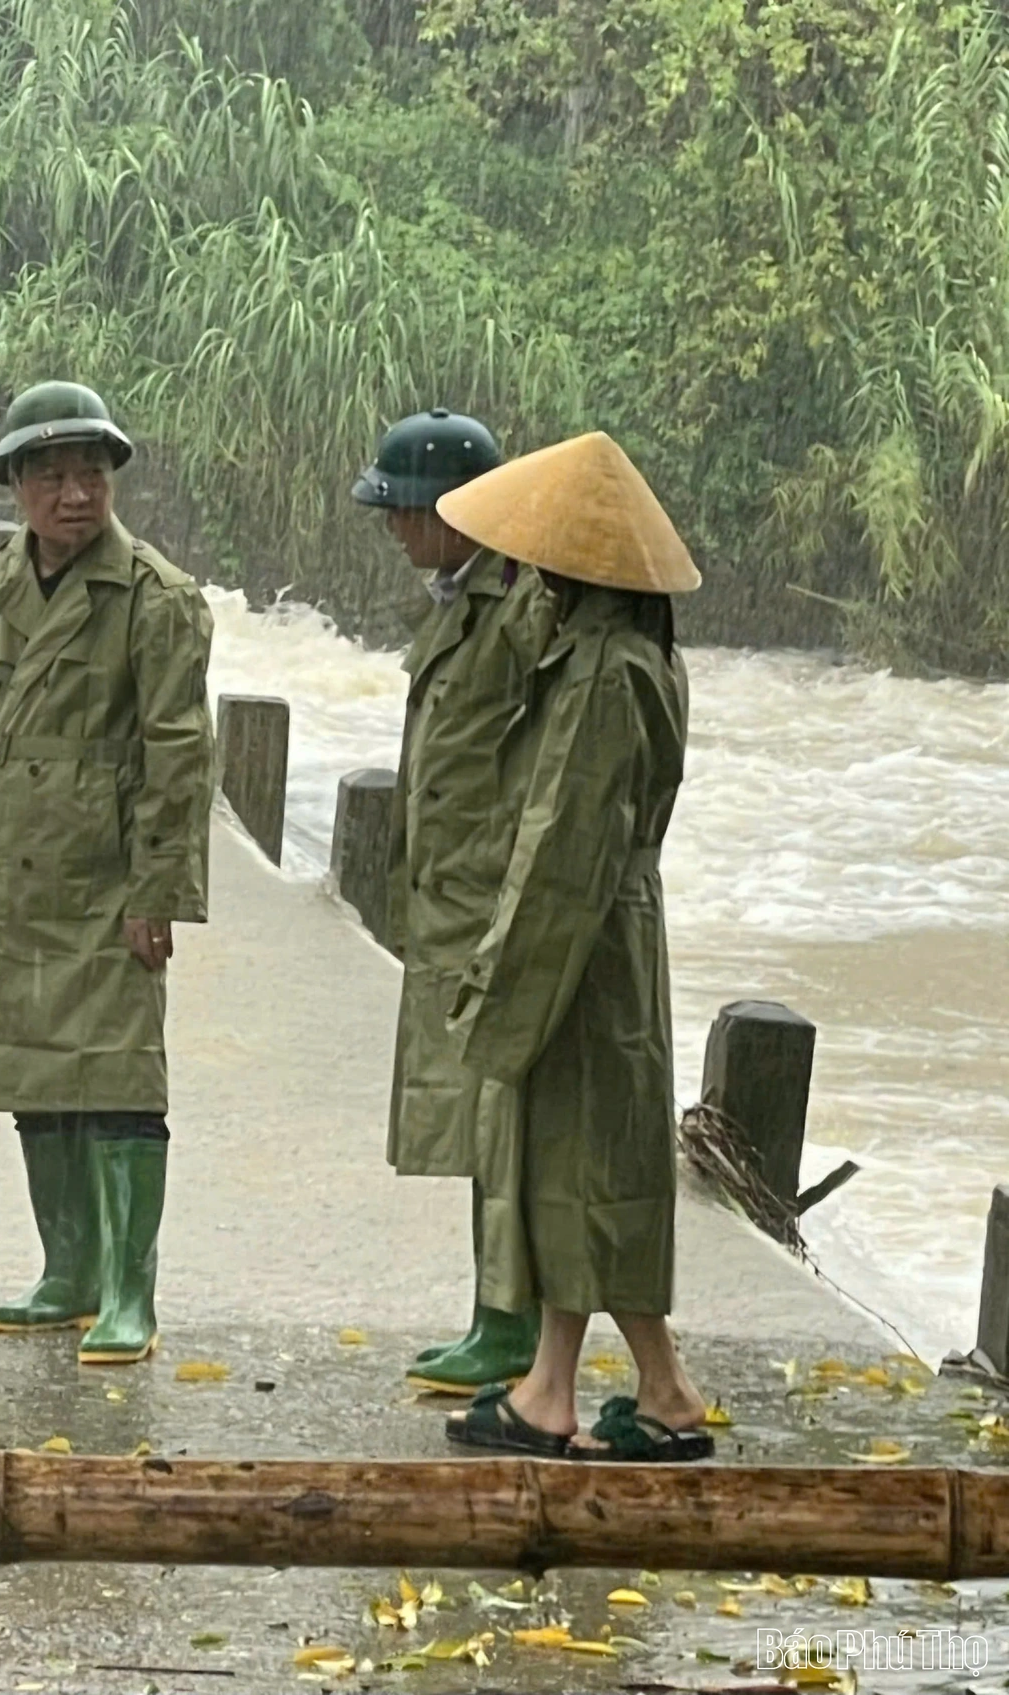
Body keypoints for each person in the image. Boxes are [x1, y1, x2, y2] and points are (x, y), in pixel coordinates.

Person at [0, 380, 215, 1366]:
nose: (76, 494)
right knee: (36, 1076)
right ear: (17, 485)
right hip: (12, 878)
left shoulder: (156, 599)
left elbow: (180, 755)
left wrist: (159, 891)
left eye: (92, 473)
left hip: (105, 884)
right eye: (55, 476)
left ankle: (128, 1294)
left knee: (118, 1081)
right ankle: (67, 1274)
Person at [430, 430, 712, 1460]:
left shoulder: (600, 672)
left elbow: (561, 845)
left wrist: (502, 980)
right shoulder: (640, 655)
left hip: (582, 946)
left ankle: (661, 1389)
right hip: (610, 932)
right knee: (579, 1167)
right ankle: (555, 1386)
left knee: (590, 1166)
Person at [351, 410, 556, 1395]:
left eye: (404, 511)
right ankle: (492, 1315)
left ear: (455, 513)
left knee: (505, 1127)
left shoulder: (522, 607)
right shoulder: (459, 599)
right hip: (452, 898)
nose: (394, 528)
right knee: (479, 1127)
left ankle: (510, 1326)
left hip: (491, 904)